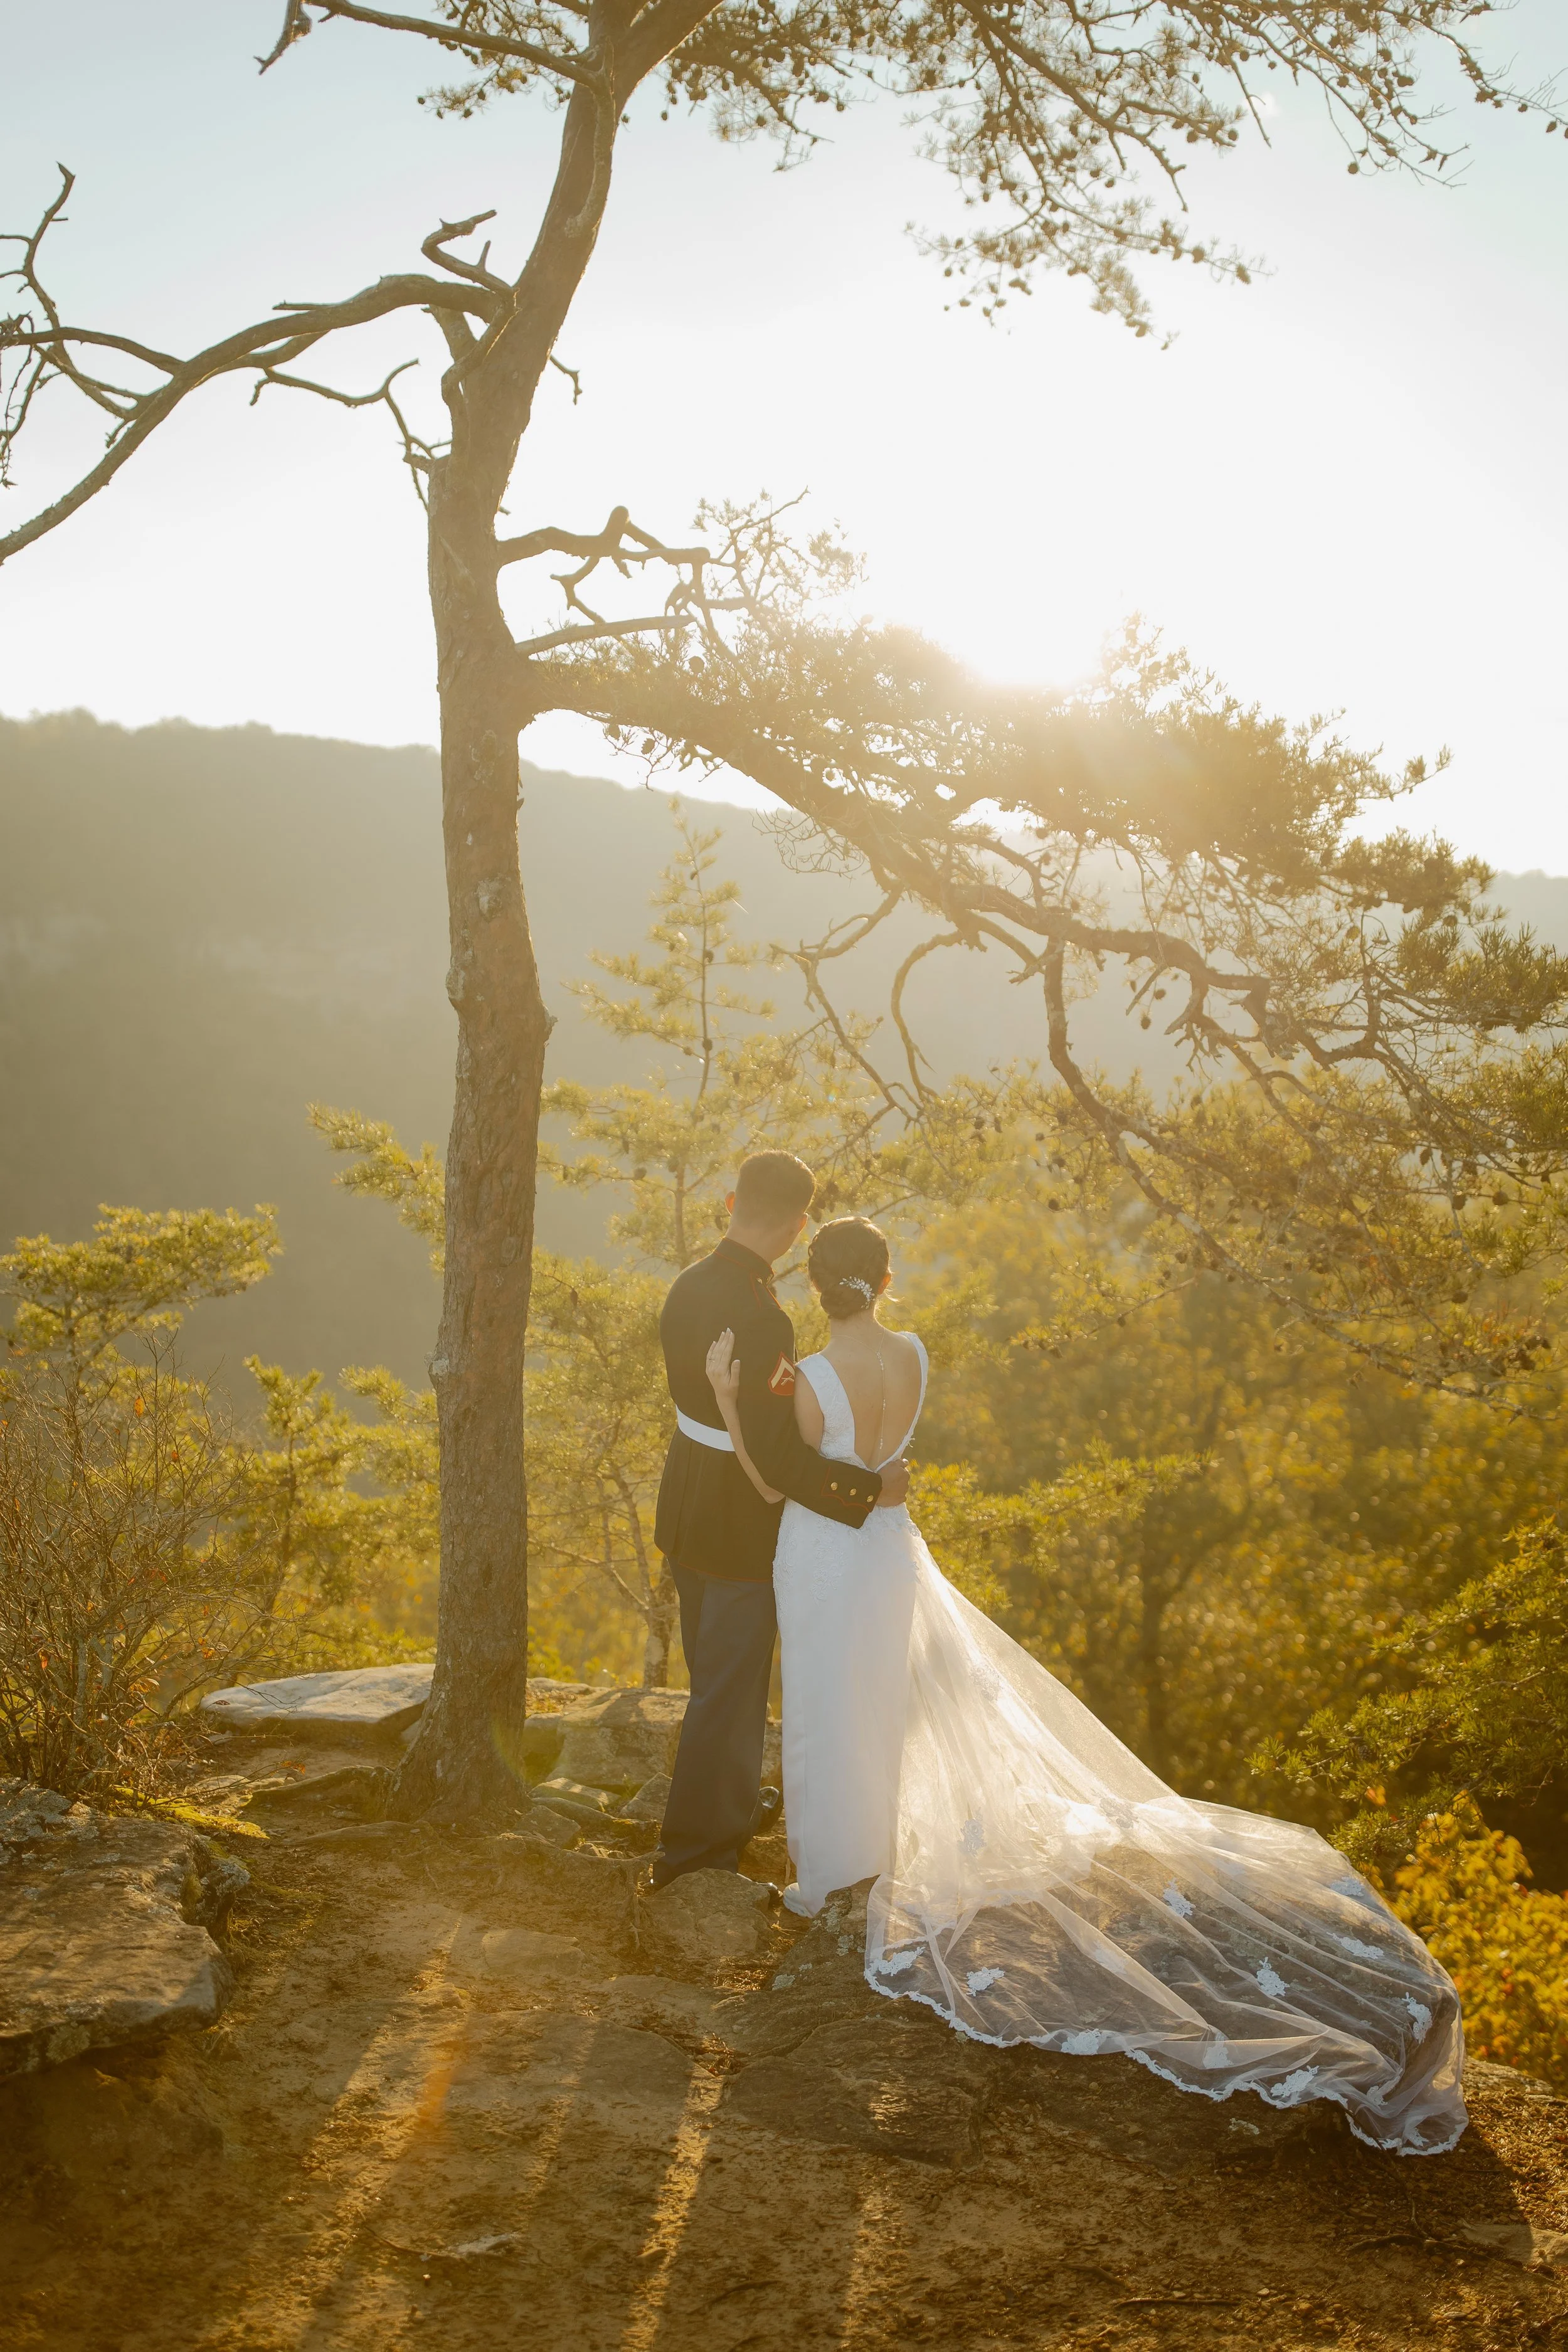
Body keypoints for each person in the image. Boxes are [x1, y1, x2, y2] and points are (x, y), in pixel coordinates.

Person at [704, 1212, 1468, 2158]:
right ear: (886, 1279)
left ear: (817, 1288)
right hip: (890, 1555)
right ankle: (876, 1854)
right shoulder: (913, 1354)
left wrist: (729, 1399)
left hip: (826, 1557)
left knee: (831, 1703)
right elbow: (881, 1467)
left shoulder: (813, 1379)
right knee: (891, 1705)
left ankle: (831, 1878)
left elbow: (778, 1485)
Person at [650, 1150, 909, 1888]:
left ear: (730, 1200)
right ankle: (693, 1858)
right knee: (726, 1693)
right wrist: (868, 1491)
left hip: (686, 1501)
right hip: (736, 1520)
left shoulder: (686, 1285)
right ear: (798, 1229)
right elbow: (778, 1459)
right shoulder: (765, 1320)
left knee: (715, 1678)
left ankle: (725, 1807)